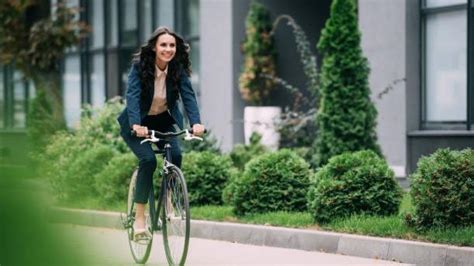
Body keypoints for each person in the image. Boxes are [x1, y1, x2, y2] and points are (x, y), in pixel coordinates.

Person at [117, 26, 205, 238]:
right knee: (148, 161)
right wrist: (136, 125)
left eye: (172, 45)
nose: (168, 49)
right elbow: (133, 96)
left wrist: (196, 123)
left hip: (163, 122)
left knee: (176, 155)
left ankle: (169, 201)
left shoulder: (178, 69)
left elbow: (188, 96)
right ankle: (139, 220)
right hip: (137, 125)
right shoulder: (140, 67)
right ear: (155, 48)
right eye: (163, 45)